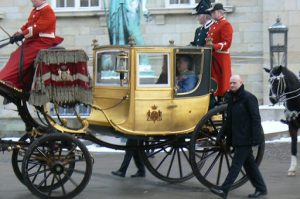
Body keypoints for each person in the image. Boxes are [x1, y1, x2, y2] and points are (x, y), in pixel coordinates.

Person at [210, 75, 267, 199]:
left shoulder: (249, 98)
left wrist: (256, 138)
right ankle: (261, 189)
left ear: (241, 83)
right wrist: (220, 135)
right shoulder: (232, 99)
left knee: (236, 165)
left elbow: (256, 119)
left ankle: (224, 190)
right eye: (230, 83)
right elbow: (229, 120)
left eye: (234, 83)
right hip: (237, 137)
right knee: (250, 165)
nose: (232, 85)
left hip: (246, 138)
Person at [0, 0, 63, 91]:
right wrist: (16, 35)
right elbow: (27, 25)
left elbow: (38, 27)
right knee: (14, 55)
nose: (31, 0)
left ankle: (6, 80)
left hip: (43, 41)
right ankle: (9, 80)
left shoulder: (47, 10)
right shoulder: (35, 10)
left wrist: (22, 35)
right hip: (33, 41)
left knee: (22, 56)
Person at [205, 3, 233, 99]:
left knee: (222, 82)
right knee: (214, 80)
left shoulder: (226, 24)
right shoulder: (214, 25)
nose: (211, 14)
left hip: (221, 58)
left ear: (219, 12)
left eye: (213, 12)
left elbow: (227, 43)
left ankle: (222, 98)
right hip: (213, 57)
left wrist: (214, 46)